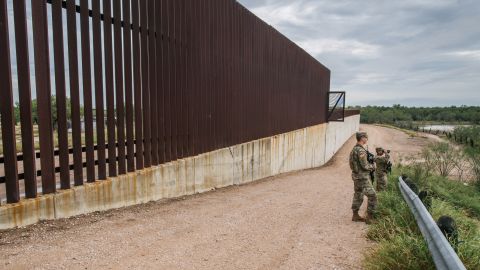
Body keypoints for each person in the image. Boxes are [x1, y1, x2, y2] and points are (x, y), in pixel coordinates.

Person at [349, 132, 377, 224]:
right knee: (372, 195)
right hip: (362, 177)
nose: (367, 139)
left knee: (358, 194)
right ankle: (370, 218)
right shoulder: (361, 150)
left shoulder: (354, 149)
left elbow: (352, 163)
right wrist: (373, 166)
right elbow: (365, 166)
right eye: (366, 137)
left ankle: (355, 215)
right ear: (362, 138)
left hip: (356, 176)